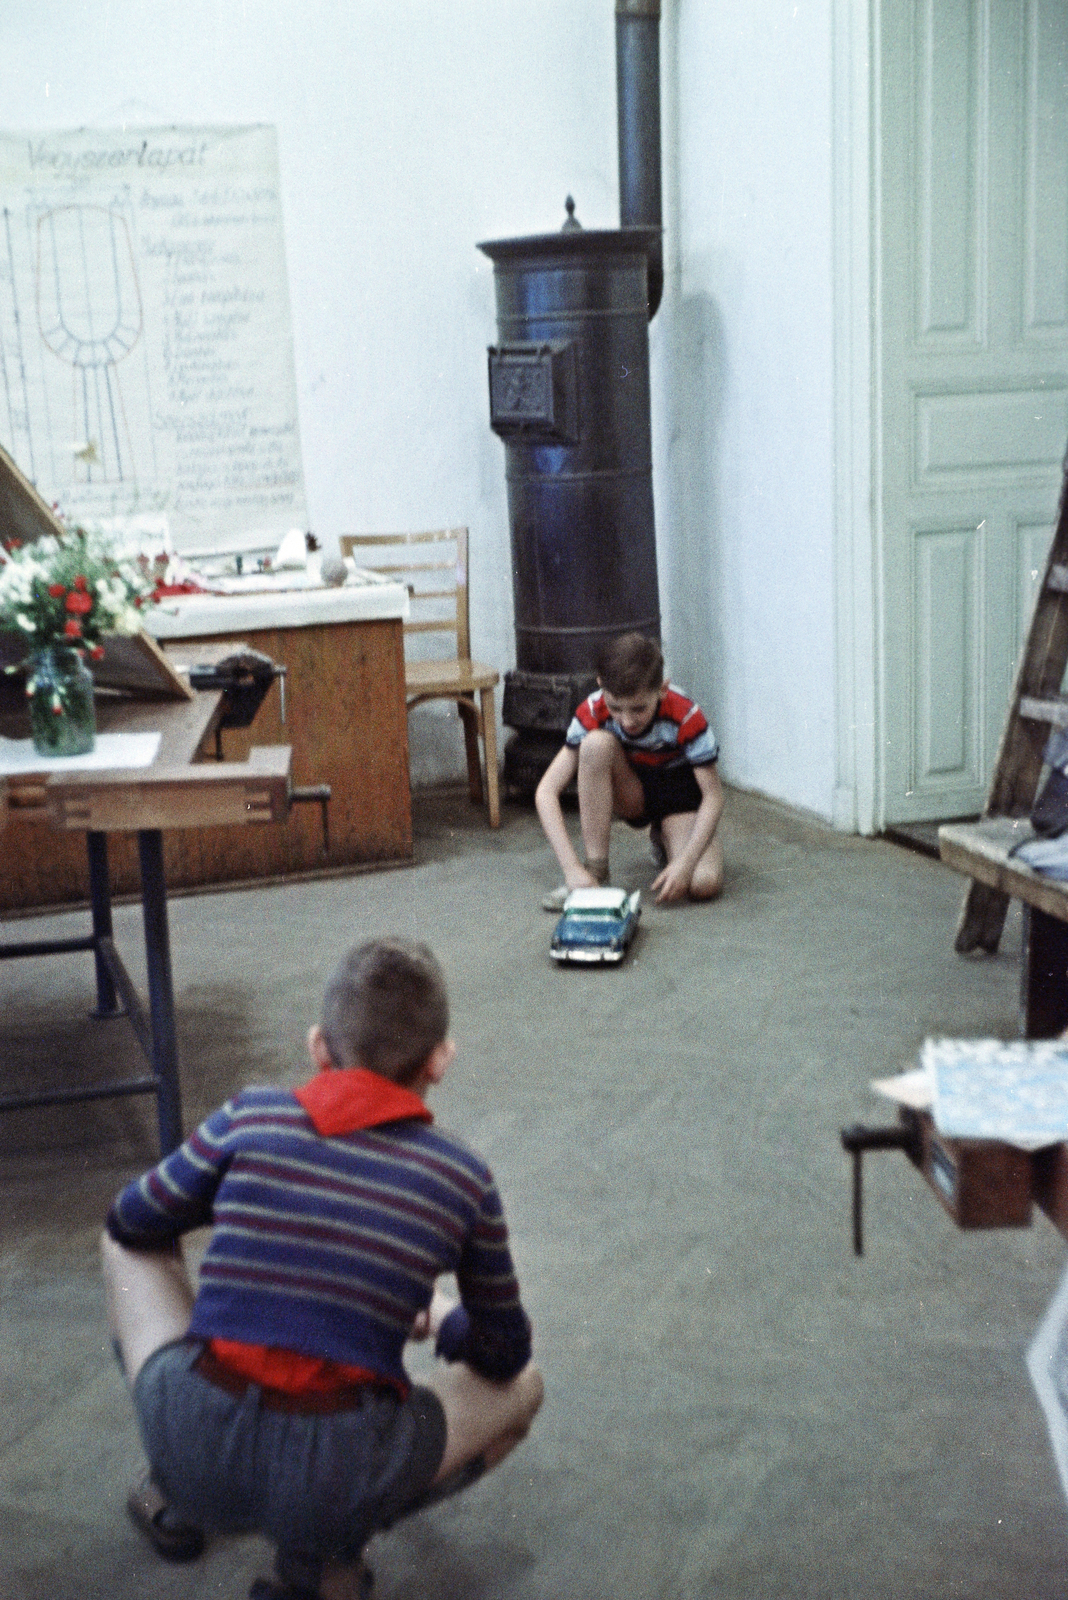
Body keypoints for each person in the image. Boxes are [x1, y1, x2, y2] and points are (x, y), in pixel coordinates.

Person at [101, 937, 543, 1600]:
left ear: (317, 1048)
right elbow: (504, 1356)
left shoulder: (250, 1116)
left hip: (193, 1438)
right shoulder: (462, 1177)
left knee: (124, 1244)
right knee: (523, 1391)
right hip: (338, 1470)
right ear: (439, 1061)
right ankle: (324, 1556)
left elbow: (135, 1220)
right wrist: (440, 1312)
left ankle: (176, 1491)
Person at [535, 632, 724, 908]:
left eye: (638, 709)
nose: (626, 721)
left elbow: (714, 796)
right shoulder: (593, 709)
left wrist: (686, 862)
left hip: (680, 798)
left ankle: (666, 836)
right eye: (615, 708)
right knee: (595, 744)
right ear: (601, 686)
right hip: (633, 790)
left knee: (702, 883)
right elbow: (546, 791)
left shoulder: (685, 715)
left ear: (662, 689)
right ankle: (596, 871)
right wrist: (572, 869)